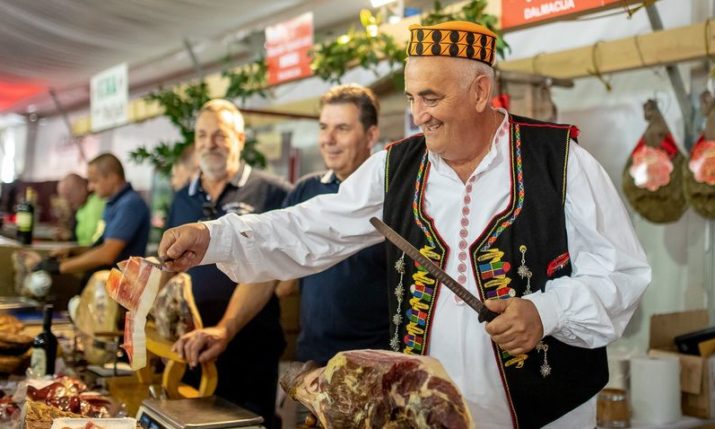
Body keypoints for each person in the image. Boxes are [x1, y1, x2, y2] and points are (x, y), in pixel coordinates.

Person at [159, 22, 651, 429]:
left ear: (481, 92)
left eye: (431, 98)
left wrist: (547, 310)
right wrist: (214, 237)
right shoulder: (396, 167)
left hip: (547, 415)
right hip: (422, 414)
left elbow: (622, 274)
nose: (418, 116)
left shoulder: (559, 160)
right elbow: (313, 226)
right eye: (413, 97)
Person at [166, 99, 290, 428]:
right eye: (202, 135)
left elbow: (275, 269)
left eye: (220, 135)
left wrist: (226, 327)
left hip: (251, 344)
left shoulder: (272, 192)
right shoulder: (183, 197)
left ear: (240, 140)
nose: (210, 143)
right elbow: (172, 265)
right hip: (191, 345)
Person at [280, 83, 389, 365]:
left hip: (376, 364)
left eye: (342, 128)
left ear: (371, 135)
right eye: (323, 127)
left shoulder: (391, 195)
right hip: (311, 362)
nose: (328, 139)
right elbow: (278, 278)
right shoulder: (305, 190)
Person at [35, 154, 150, 278]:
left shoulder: (130, 204)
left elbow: (107, 254)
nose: (90, 187)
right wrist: (72, 251)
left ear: (112, 178)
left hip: (120, 283)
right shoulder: (113, 204)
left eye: (94, 181)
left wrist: (60, 267)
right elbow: (100, 247)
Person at [56, 173, 105, 245]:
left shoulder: (97, 202)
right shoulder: (80, 207)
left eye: (69, 195)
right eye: (65, 197)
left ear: (81, 188)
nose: (68, 201)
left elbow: (94, 241)